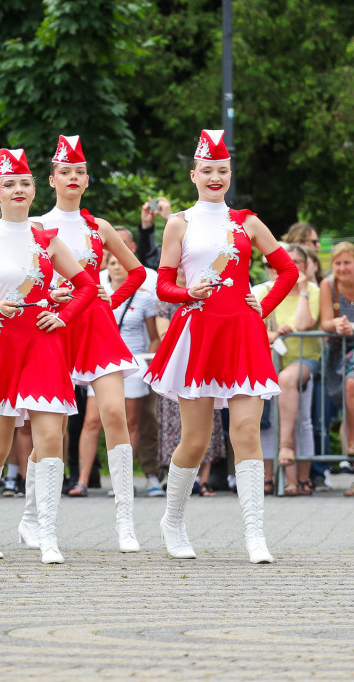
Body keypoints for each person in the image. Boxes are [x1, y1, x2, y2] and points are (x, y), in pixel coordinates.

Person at [143, 129, 297, 564]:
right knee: (196, 438)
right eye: (207, 170)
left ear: (230, 175)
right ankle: (172, 520)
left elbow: (287, 271)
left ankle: (254, 534)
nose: (215, 177)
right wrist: (190, 291)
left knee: (246, 431)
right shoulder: (180, 223)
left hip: (243, 332)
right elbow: (163, 286)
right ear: (193, 174)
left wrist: (262, 302)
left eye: (222, 171)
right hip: (198, 334)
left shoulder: (247, 221)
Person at [0, 148, 97, 563]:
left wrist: (63, 316)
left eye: (24, 183)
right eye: (9, 184)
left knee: (50, 437)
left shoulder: (48, 240)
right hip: (0, 346)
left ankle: (47, 533)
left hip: (44, 344)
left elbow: (87, 288)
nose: (18, 189)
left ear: (35, 190)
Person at [32, 135, 146, 553]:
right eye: (66, 172)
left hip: (96, 326)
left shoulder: (98, 227)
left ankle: (125, 522)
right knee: (52, 426)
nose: (74, 178)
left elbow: (136, 273)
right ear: (52, 179)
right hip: (53, 325)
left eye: (80, 172)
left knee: (115, 412)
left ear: (86, 180)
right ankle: (35, 517)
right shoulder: (37, 227)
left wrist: (108, 302)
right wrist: (48, 301)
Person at [77, 253, 160, 499]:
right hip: (101, 361)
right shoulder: (96, 293)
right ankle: (82, 481)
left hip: (133, 363)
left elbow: (154, 336)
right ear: (107, 267)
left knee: (130, 422)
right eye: (112, 262)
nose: (117, 267)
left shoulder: (144, 296)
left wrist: (146, 365)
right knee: (92, 421)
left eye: (122, 263)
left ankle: (121, 480)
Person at [154, 278, 227, 496]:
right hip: (179, 364)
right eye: (177, 269)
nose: (181, 272)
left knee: (209, 426)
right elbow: (163, 333)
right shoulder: (166, 300)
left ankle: (204, 480)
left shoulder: (211, 289)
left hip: (207, 360)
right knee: (178, 430)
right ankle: (176, 485)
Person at [255, 243, 319, 495]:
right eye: (285, 261)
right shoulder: (265, 291)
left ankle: (299, 478)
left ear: (306, 265)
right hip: (268, 361)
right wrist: (273, 334)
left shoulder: (313, 291)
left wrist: (301, 288)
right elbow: (252, 323)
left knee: (303, 418)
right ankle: (271, 479)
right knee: (268, 420)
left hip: (304, 360)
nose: (290, 265)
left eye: (296, 261)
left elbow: (303, 324)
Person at [317, 241, 354, 495]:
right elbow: (325, 321)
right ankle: (350, 449)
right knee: (347, 392)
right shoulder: (327, 286)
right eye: (338, 263)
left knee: (352, 385)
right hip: (339, 353)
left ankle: (351, 445)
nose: (342, 268)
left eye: (347, 263)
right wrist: (338, 326)